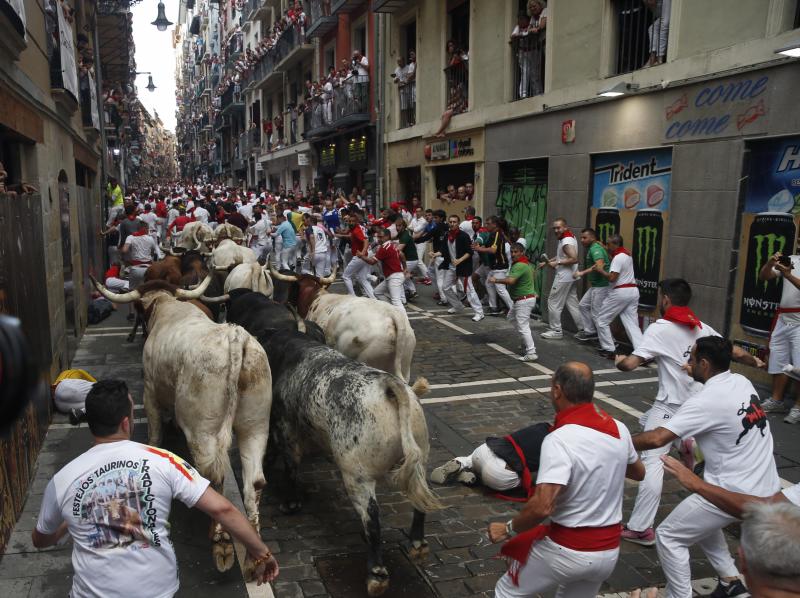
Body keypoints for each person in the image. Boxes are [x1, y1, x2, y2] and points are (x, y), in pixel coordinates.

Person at [31, 380, 279, 597]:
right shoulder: (164, 461)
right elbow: (223, 510)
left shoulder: (63, 479)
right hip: (157, 591)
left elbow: (40, 539)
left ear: (91, 424)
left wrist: (67, 525)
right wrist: (262, 554)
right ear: (127, 423)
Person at [615, 278, 764, 546]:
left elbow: (631, 364)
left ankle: (640, 528)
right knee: (646, 419)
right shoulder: (702, 327)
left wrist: (620, 362)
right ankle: (689, 445)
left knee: (653, 460)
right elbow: (736, 352)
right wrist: (756, 361)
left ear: (666, 300)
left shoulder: (660, 329)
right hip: (702, 405)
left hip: (672, 407)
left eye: (661, 297)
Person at [631, 337, 780, 598]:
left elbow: (657, 438)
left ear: (705, 364)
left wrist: (617, 441)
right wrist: (696, 373)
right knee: (699, 519)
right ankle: (730, 581)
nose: (687, 364)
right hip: (766, 485)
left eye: (692, 360)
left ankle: (680, 595)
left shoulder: (706, 400)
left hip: (734, 490)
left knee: (669, 536)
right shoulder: (742, 382)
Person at [487, 362, 645, 597]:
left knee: (505, 592)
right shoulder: (619, 428)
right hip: (608, 552)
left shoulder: (559, 439)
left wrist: (508, 529)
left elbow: (542, 506)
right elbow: (638, 473)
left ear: (557, 391)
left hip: (568, 549)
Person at [431, 422, 550, 493]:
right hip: (500, 474)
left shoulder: (543, 426)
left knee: (470, 459)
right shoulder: (559, 444)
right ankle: (478, 480)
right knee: (529, 478)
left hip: (485, 451)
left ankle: (460, 463)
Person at [759, 250, 800, 424]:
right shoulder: (793, 259)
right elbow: (764, 277)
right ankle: (777, 401)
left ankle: (798, 408)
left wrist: (787, 275)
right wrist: (769, 263)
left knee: (799, 366)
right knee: (778, 360)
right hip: (783, 319)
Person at [593, 234, 643, 358]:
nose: (607, 246)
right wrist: (604, 248)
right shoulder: (626, 255)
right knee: (632, 324)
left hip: (620, 293)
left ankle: (609, 349)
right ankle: (643, 353)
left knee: (602, 320)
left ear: (615, 244)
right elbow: (613, 258)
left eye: (608, 244)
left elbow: (612, 278)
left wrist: (600, 270)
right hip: (632, 291)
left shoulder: (618, 258)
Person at [490, 243, 539, 361]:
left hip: (524, 300)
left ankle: (531, 352)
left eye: (516, 252)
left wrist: (495, 280)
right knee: (511, 318)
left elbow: (511, 281)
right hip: (521, 299)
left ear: (522, 252)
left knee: (523, 325)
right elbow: (532, 276)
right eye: (512, 252)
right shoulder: (524, 263)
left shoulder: (520, 265)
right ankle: (525, 340)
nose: (513, 254)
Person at [541, 218, 582, 340]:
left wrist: (558, 262)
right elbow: (562, 255)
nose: (556, 230)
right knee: (572, 302)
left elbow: (574, 259)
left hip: (564, 276)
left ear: (565, 227)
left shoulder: (566, 241)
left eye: (558, 227)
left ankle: (556, 330)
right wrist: (550, 262)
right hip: (571, 275)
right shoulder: (568, 237)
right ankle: (585, 329)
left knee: (553, 301)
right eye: (554, 228)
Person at [440, 214, 484, 322]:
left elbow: (470, 252)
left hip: (463, 267)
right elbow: (444, 250)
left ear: (458, 223)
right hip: (452, 266)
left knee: (469, 290)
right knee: (445, 287)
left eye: (454, 222)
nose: (452, 224)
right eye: (450, 222)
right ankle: (458, 306)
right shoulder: (447, 235)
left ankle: (479, 312)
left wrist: (459, 260)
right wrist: (435, 254)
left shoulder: (463, 236)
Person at [573, 228, 610, 343]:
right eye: (581, 238)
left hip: (602, 286)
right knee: (583, 305)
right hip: (595, 286)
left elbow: (599, 265)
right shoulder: (594, 248)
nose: (582, 240)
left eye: (585, 238)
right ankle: (591, 332)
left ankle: (607, 341)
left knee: (597, 314)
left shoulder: (595, 249)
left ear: (593, 238)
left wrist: (581, 273)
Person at [474, 215, 514, 316]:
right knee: (488, 283)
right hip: (494, 266)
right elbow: (486, 244)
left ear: (494, 225)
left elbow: (493, 250)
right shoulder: (493, 234)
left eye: (488, 223)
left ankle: (514, 309)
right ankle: (494, 307)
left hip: (500, 266)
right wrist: (479, 245)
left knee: (500, 289)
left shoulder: (497, 234)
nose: (486, 225)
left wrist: (479, 249)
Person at [361, 228, 407, 311]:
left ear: (387, 236)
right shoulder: (392, 244)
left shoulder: (384, 247)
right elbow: (401, 255)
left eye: (381, 237)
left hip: (394, 276)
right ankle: (392, 309)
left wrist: (361, 256)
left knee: (396, 301)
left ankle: (404, 321)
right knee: (377, 292)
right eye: (378, 237)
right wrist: (405, 268)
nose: (379, 239)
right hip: (392, 276)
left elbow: (372, 262)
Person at [340, 212, 376, 298]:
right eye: (349, 221)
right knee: (362, 278)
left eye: (352, 221)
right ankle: (374, 297)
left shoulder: (356, 230)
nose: (351, 223)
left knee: (346, 276)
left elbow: (366, 241)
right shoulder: (355, 228)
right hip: (363, 257)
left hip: (359, 257)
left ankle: (352, 296)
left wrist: (362, 253)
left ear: (356, 222)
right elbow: (347, 233)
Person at [395, 218, 419, 299]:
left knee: (400, 277)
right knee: (405, 275)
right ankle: (412, 291)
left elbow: (399, 249)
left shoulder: (405, 235)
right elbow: (393, 238)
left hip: (410, 260)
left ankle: (403, 298)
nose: (397, 228)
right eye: (396, 226)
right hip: (410, 259)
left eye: (399, 226)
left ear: (404, 226)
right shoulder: (402, 233)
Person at [303, 212, 329, 277]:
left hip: (315, 253)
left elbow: (311, 237)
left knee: (304, 271)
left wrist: (313, 251)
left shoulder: (309, 229)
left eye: (305, 220)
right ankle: (318, 285)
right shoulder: (321, 229)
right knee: (319, 275)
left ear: (310, 221)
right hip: (323, 253)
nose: (305, 221)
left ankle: (311, 279)